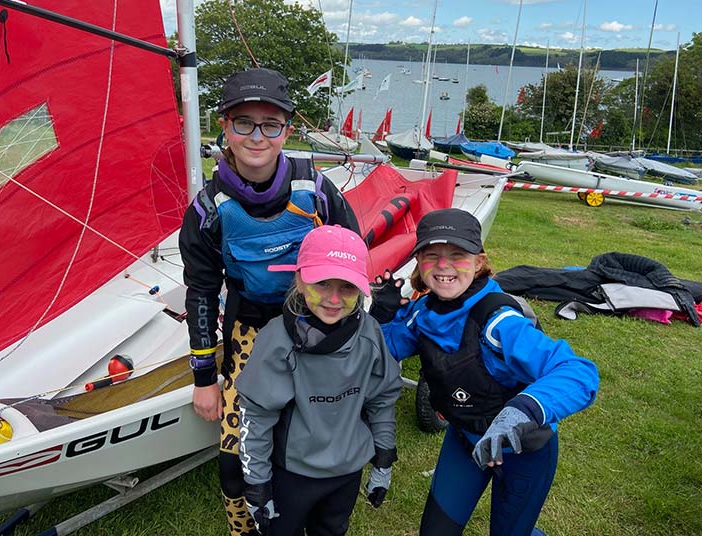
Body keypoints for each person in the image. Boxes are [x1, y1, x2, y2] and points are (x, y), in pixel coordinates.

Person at [178, 67, 360, 536]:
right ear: (224, 126)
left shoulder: (316, 191)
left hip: (319, 328)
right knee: (235, 463)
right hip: (251, 334)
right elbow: (200, 292)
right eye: (244, 122)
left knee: (316, 440)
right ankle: (248, 529)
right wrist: (203, 379)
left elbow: (353, 261)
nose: (257, 136)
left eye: (270, 124)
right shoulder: (206, 209)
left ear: (288, 130)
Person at [371, 208, 599, 536]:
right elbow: (385, 349)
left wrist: (525, 409)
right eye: (432, 255)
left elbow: (579, 371)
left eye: (458, 255)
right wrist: (382, 313)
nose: (444, 266)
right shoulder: (423, 311)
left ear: (479, 262)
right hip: (466, 440)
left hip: (523, 452)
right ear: (419, 263)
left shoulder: (499, 322)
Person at [235, 225, 402, 536]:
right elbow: (256, 417)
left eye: (348, 287)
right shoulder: (277, 340)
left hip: (346, 472)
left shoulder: (369, 334)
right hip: (292, 474)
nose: (334, 298)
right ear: (299, 280)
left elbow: (382, 397)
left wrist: (383, 458)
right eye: (322, 283)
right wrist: (257, 483)